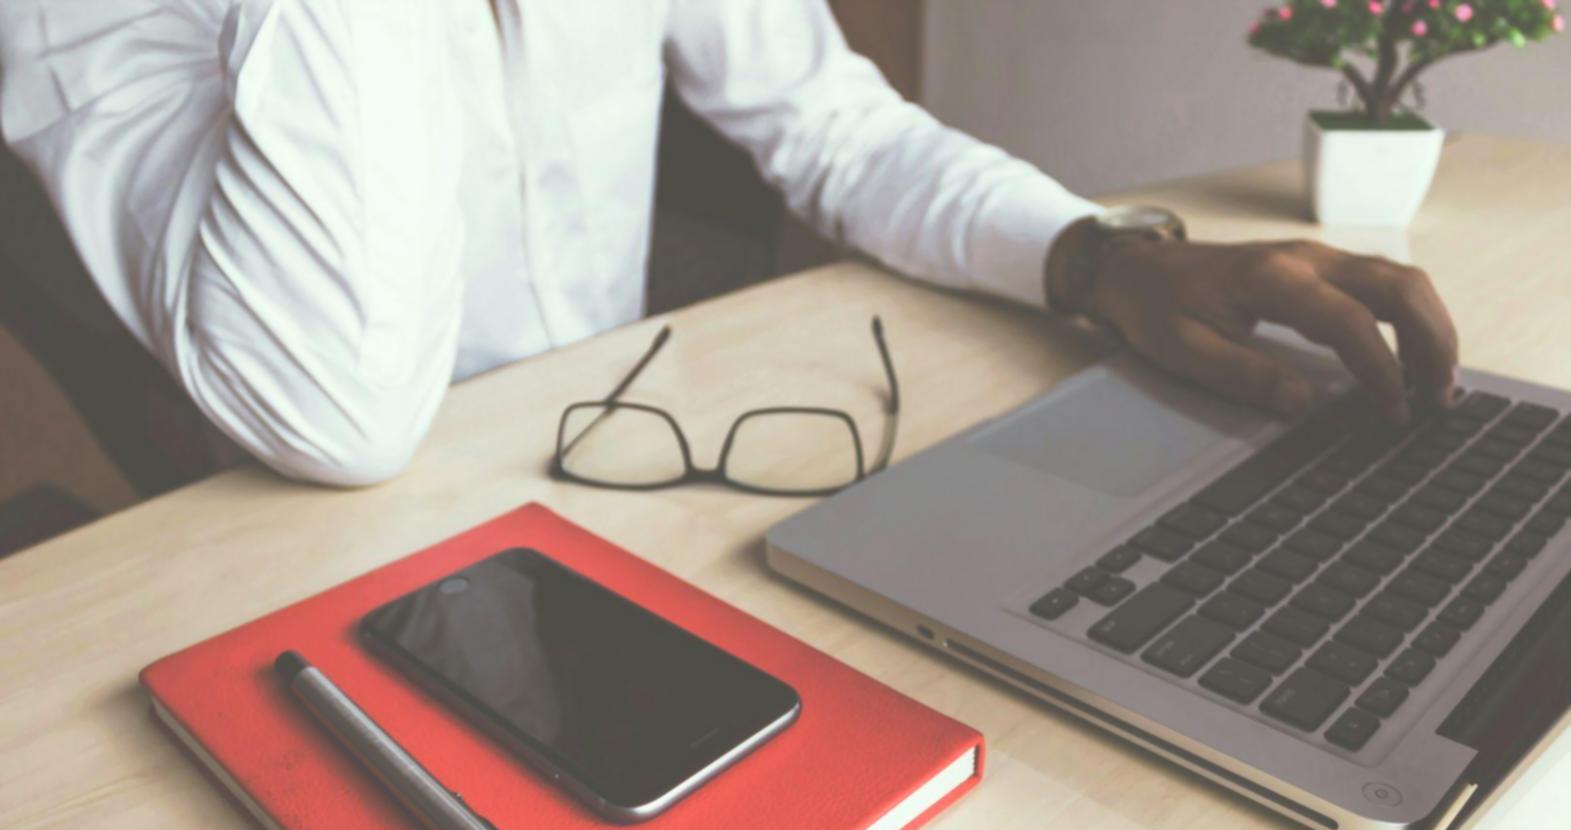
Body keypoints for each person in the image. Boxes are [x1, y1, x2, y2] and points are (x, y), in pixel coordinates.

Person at [0, 1, 1457, 487]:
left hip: (622, 475)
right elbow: (337, 413)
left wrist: (1094, 258)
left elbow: (833, 126)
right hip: (293, 567)